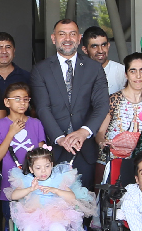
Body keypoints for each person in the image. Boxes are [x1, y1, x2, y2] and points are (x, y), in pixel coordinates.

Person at [31, 18, 109, 172]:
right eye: (62, 34)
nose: (67, 39)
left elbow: (102, 105)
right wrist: (60, 138)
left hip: (85, 148)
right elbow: (42, 108)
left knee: (86, 196)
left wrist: (83, 131)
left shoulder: (94, 68)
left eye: (72, 34)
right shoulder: (41, 70)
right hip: (54, 151)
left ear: (79, 38)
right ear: (54, 39)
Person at [6, 144, 92, 231]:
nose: (43, 171)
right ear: (31, 169)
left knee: (57, 228)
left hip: (55, 213)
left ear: (52, 165)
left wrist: (55, 190)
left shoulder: (58, 179)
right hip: (33, 213)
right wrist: (30, 189)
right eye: (38, 168)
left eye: (47, 166)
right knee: (28, 229)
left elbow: (71, 197)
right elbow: (14, 195)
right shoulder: (28, 180)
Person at [96, 52, 142, 181]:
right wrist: (102, 143)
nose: (138, 76)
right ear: (126, 74)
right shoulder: (114, 99)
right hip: (105, 161)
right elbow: (100, 132)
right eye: (133, 71)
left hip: (128, 162)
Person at [0, 82, 45, 191]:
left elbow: (42, 155)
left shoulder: (36, 123)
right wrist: (11, 133)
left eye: (25, 99)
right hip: (10, 182)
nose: (22, 103)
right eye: (17, 99)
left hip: (34, 182)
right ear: (7, 102)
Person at [0, 31, 31, 102]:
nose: (4, 51)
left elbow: (35, 108)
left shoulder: (27, 77)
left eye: (8, 47)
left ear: (14, 51)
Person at [83, 26, 126, 94]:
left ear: (108, 45)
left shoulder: (121, 71)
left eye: (103, 45)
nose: (100, 50)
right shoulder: (78, 73)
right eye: (94, 46)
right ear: (85, 50)